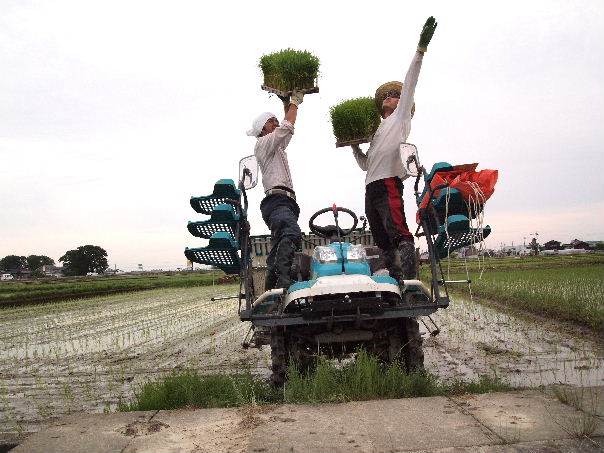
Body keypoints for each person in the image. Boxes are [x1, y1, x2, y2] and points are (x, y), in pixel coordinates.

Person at [351, 17, 437, 283]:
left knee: (398, 230)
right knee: (381, 238)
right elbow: (366, 164)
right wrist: (354, 145)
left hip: (388, 182)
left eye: (394, 93)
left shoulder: (401, 119)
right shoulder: (377, 132)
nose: (389, 95)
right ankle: (395, 277)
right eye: (386, 94)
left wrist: (420, 50)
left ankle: (410, 280)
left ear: (402, 102)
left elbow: (410, 80)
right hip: (370, 186)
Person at [247, 90, 305, 290]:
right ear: (262, 129)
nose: (276, 123)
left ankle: (271, 287)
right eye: (272, 121)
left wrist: (286, 104)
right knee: (292, 233)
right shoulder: (262, 144)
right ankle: (284, 278)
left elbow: (286, 130)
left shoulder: (276, 148)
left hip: (286, 202)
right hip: (277, 201)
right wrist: (295, 102)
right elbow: (286, 126)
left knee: (277, 246)